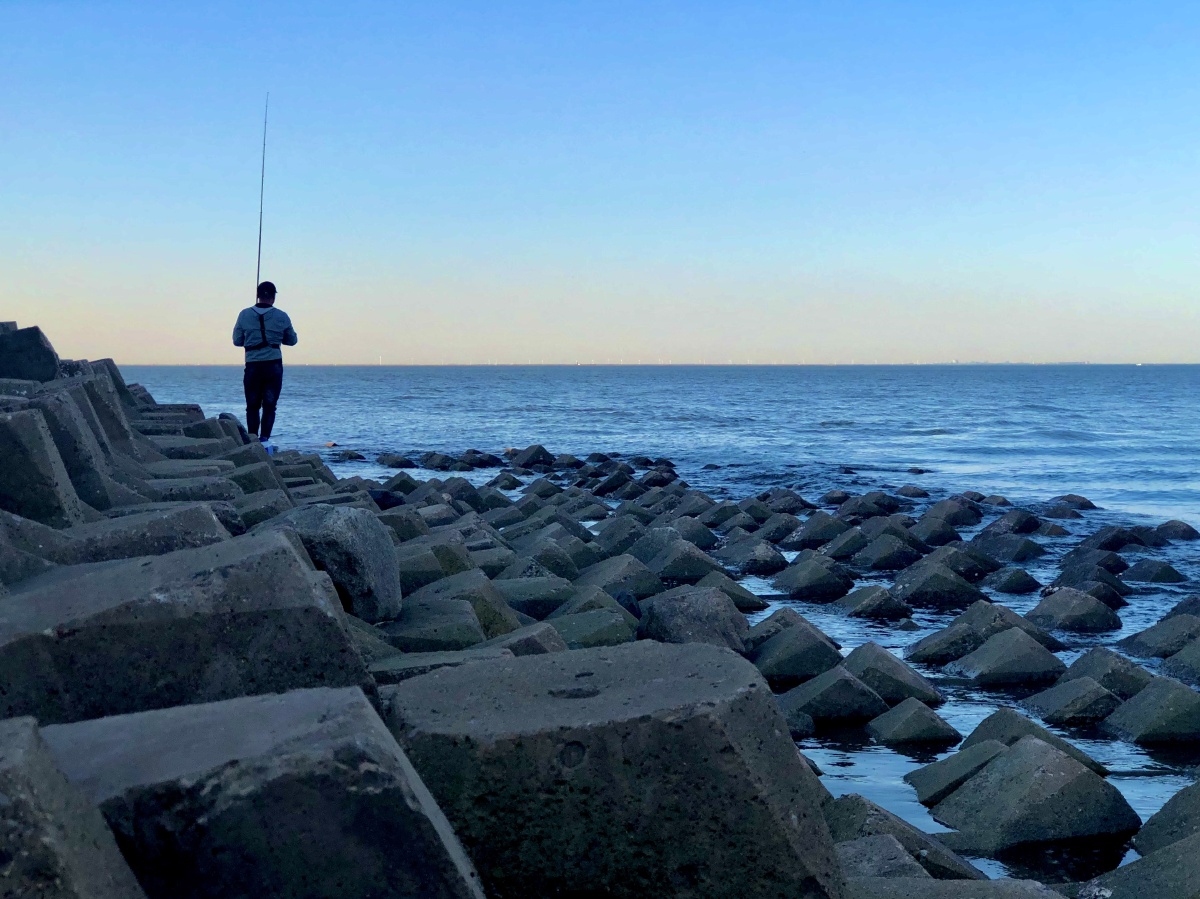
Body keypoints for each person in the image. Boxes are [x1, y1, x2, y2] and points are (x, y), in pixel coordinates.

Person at [232, 281, 297, 450]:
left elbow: (237, 341)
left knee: (252, 406)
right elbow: (292, 340)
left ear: (258, 295)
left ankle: (252, 439)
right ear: (273, 297)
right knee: (270, 406)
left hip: (253, 366)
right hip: (273, 366)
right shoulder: (282, 316)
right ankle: (265, 439)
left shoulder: (244, 315)